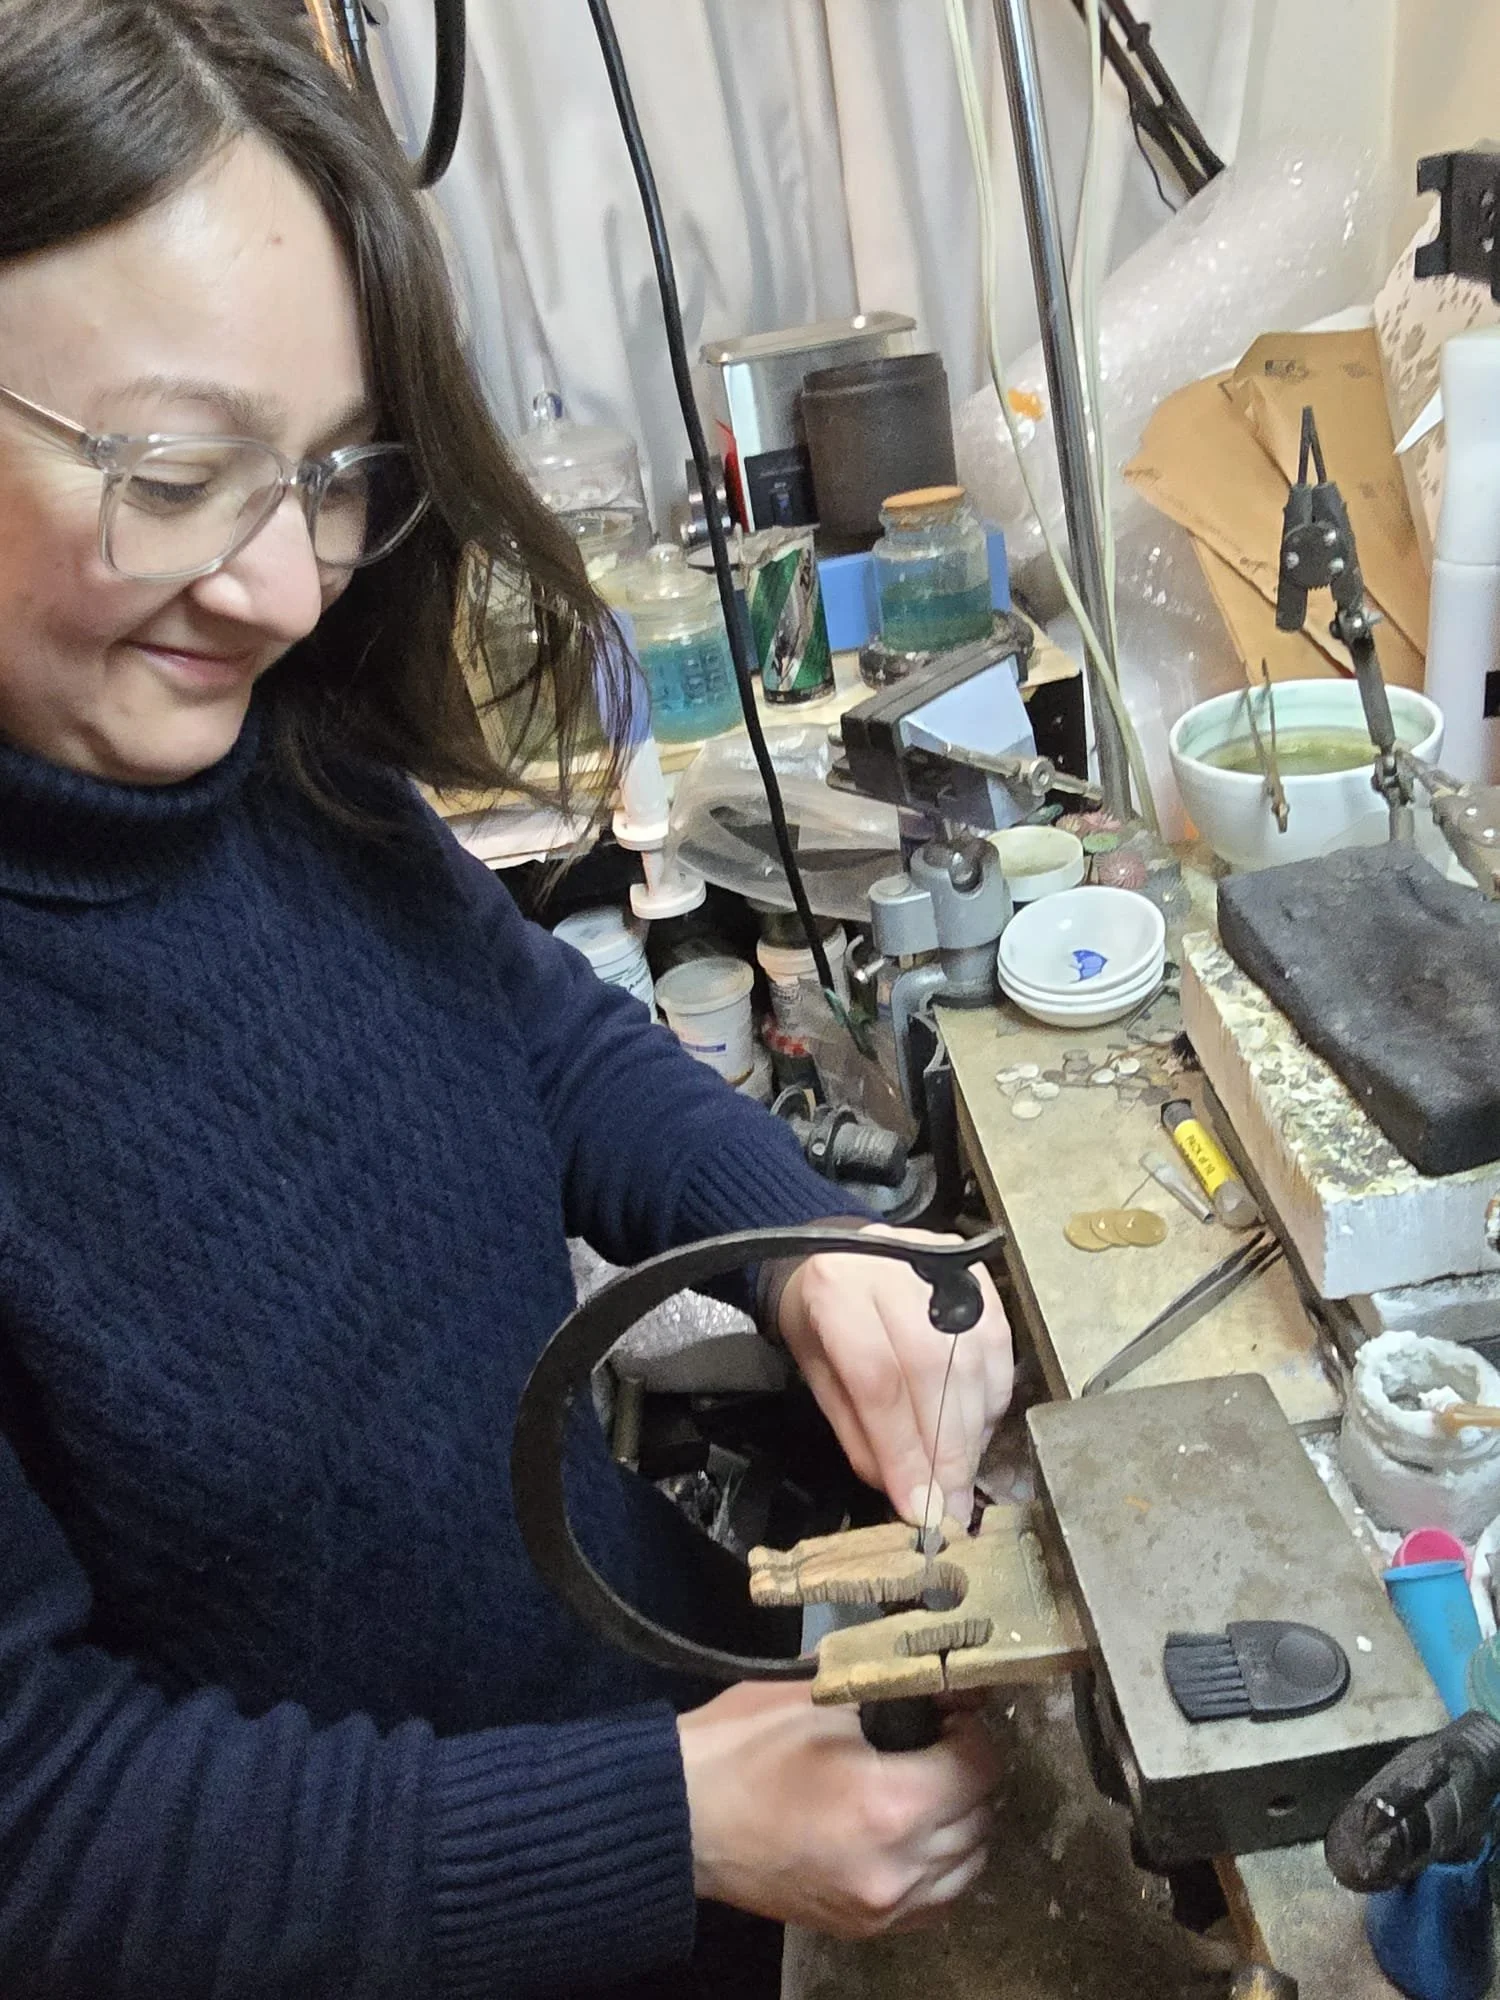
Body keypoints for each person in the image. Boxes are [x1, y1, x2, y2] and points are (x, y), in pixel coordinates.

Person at [0, 3, 1014, 1995]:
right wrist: (670, 1820)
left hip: (651, 1790)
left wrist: (800, 1250)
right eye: (182, 469)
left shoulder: (268, 749)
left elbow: (526, 1027)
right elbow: (44, 1833)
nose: (285, 590)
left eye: (325, 475)